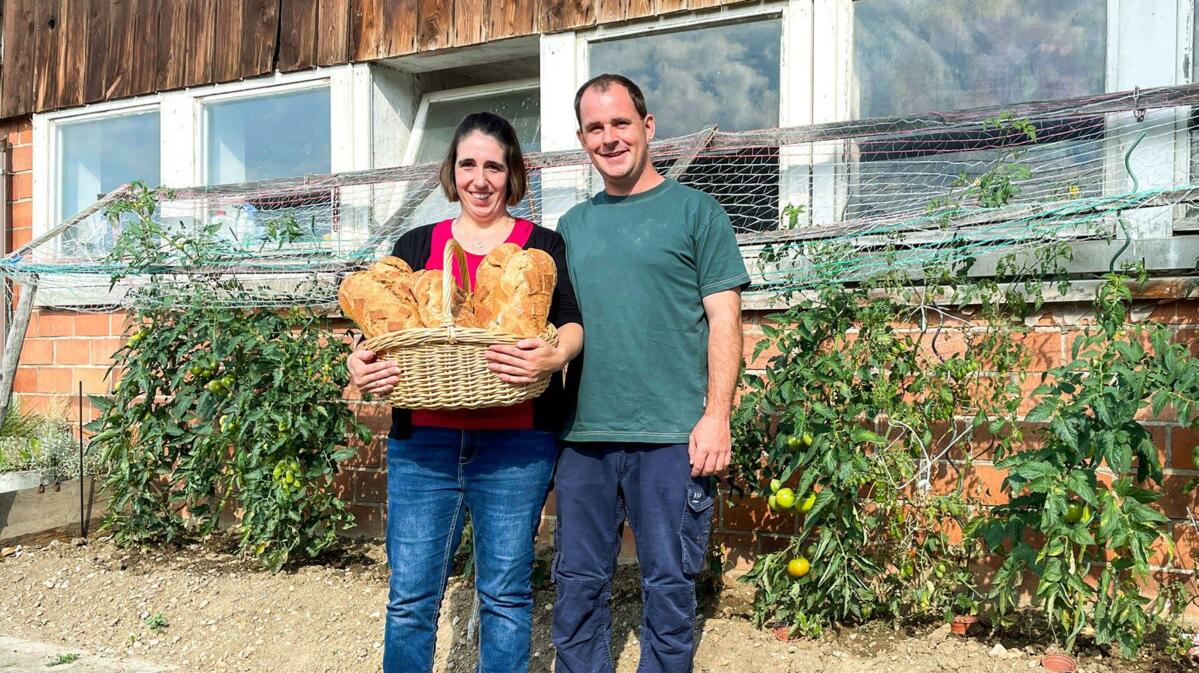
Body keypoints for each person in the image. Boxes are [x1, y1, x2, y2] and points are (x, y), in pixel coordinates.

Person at [346, 111, 584, 673]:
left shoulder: (542, 246)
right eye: (468, 164)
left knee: (504, 596)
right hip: (423, 446)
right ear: (452, 171)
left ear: (513, 174)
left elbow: (572, 320)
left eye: (494, 167)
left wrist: (559, 353)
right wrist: (356, 361)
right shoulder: (418, 243)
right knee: (410, 599)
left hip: (516, 446)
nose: (480, 179)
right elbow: (379, 329)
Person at [550, 74, 748, 673]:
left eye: (620, 123)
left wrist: (717, 416)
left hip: (671, 434)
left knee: (669, 585)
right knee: (577, 583)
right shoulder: (571, 227)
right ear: (582, 139)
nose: (609, 138)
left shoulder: (696, 212)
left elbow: (725, 322)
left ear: (648, 126)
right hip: (584, 435)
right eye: (595, 128)